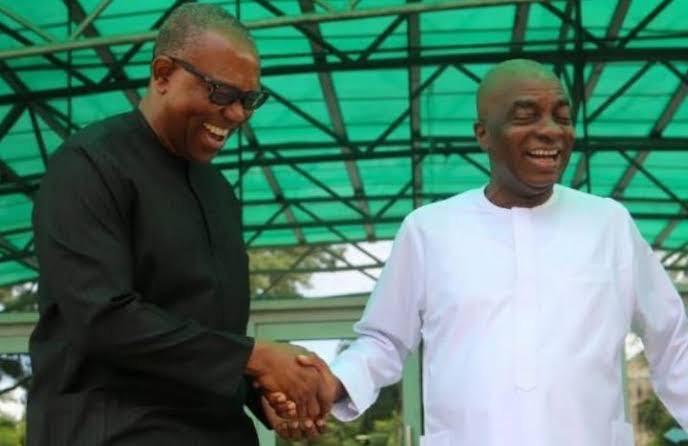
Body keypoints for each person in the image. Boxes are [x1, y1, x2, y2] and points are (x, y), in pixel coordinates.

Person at [292, 59, 688, 445]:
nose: (550, 131)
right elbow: (384, 341)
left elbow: (672, 341)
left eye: (562, 117)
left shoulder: (609, 223)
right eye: (525, 116)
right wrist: (333, 382)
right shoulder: (429, 229)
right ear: (483, 134)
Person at [27, 4, 331, 445]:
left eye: (249, 100)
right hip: (114, 430)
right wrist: (255, 358)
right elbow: (101, 317)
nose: (237, 114)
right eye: (222, 93)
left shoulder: (218, 193)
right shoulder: (90, 164)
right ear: (163, 74)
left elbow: (204, 332)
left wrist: (262, 393)